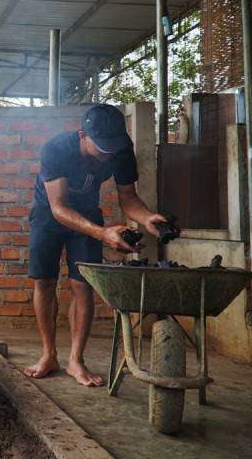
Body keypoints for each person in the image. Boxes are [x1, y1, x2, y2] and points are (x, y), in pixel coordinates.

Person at [24, 104, 166, 387]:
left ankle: (76, 361)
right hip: (49, 215)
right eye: (102, 147)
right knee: (44, 281)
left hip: (88, 214)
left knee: (82, 284)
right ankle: (49, 355)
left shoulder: (121, 151)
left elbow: (128, 199)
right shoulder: (56, 149)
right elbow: (58, 208)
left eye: (113, 147)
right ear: (82, 135)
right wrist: (103, 234)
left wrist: (148, 217)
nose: (108, 154)